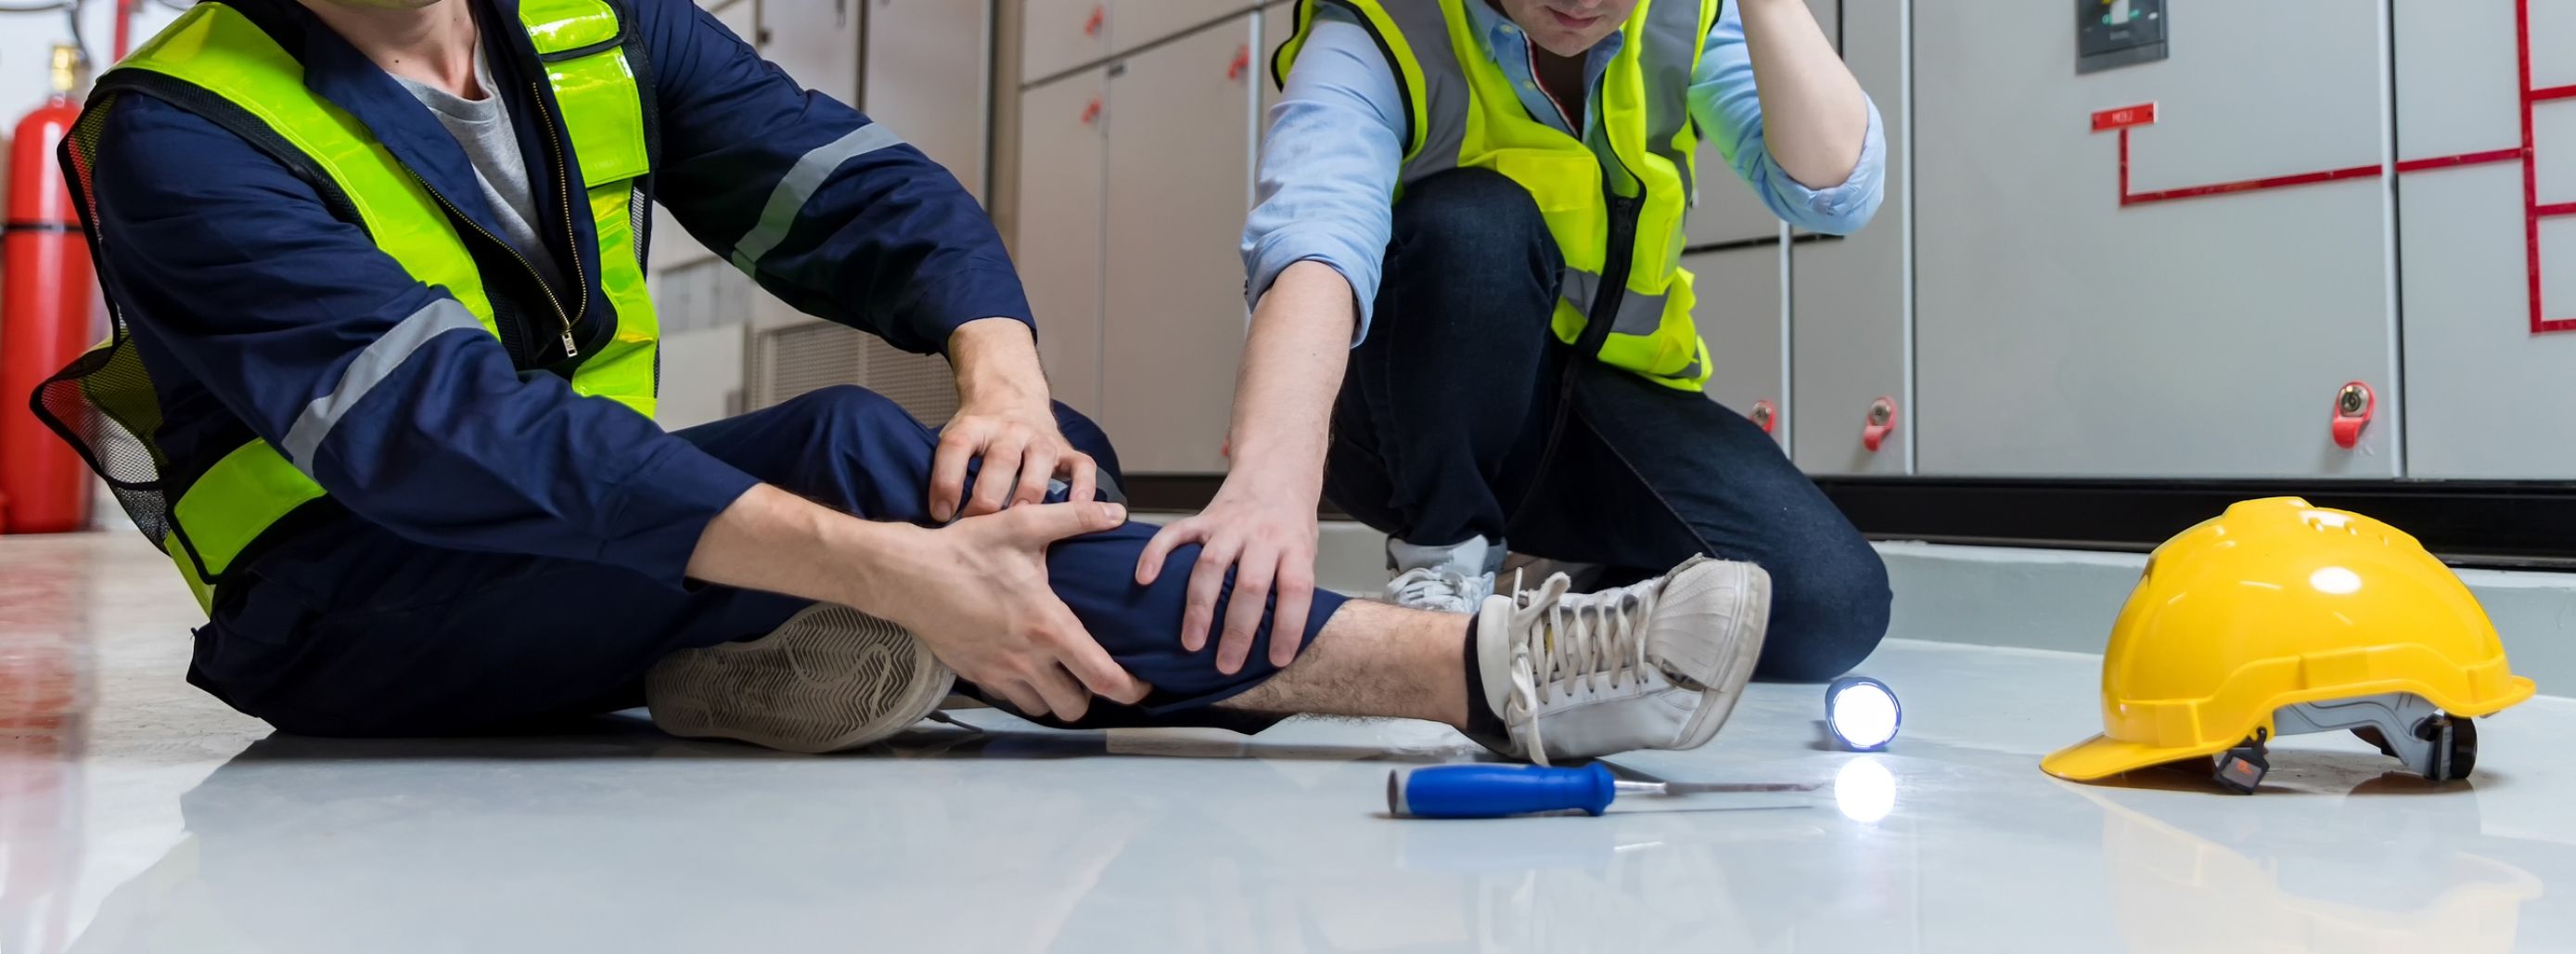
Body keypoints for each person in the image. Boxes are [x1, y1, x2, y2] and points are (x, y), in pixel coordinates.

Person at [40, 0, 1775, 761]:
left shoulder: (572, 17)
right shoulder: (182, 126)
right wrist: (880, 554)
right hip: (346, 599)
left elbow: (867, 194)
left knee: (1019, 470)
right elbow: (451, 436)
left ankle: (752, 659)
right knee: (883, 483)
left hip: (577, 543)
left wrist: (1005, 388)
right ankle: (1472, 666)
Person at [1143, 0, 1895, 684]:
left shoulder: (1683, 15)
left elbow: (1832, 192)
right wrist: (1271, 487)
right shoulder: (1383, 24)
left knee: (1826, 609)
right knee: (1476, 225)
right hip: (1416, 420)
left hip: (1602, 418)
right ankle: (1441, 572)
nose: (1580, 1)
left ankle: (1549, 592)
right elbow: (1315, 238)